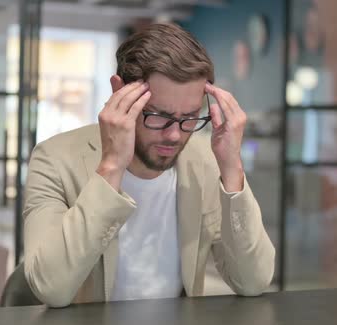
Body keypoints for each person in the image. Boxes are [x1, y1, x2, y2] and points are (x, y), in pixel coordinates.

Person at [23, 23, 275, 307]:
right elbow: (50, 287)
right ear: (119, 90)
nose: (175, 135)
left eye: (190, 117)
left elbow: (253, 282)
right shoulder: (54, 159)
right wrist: (111, 166)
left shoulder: (206, 159)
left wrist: (232, 168)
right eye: (159, 116)